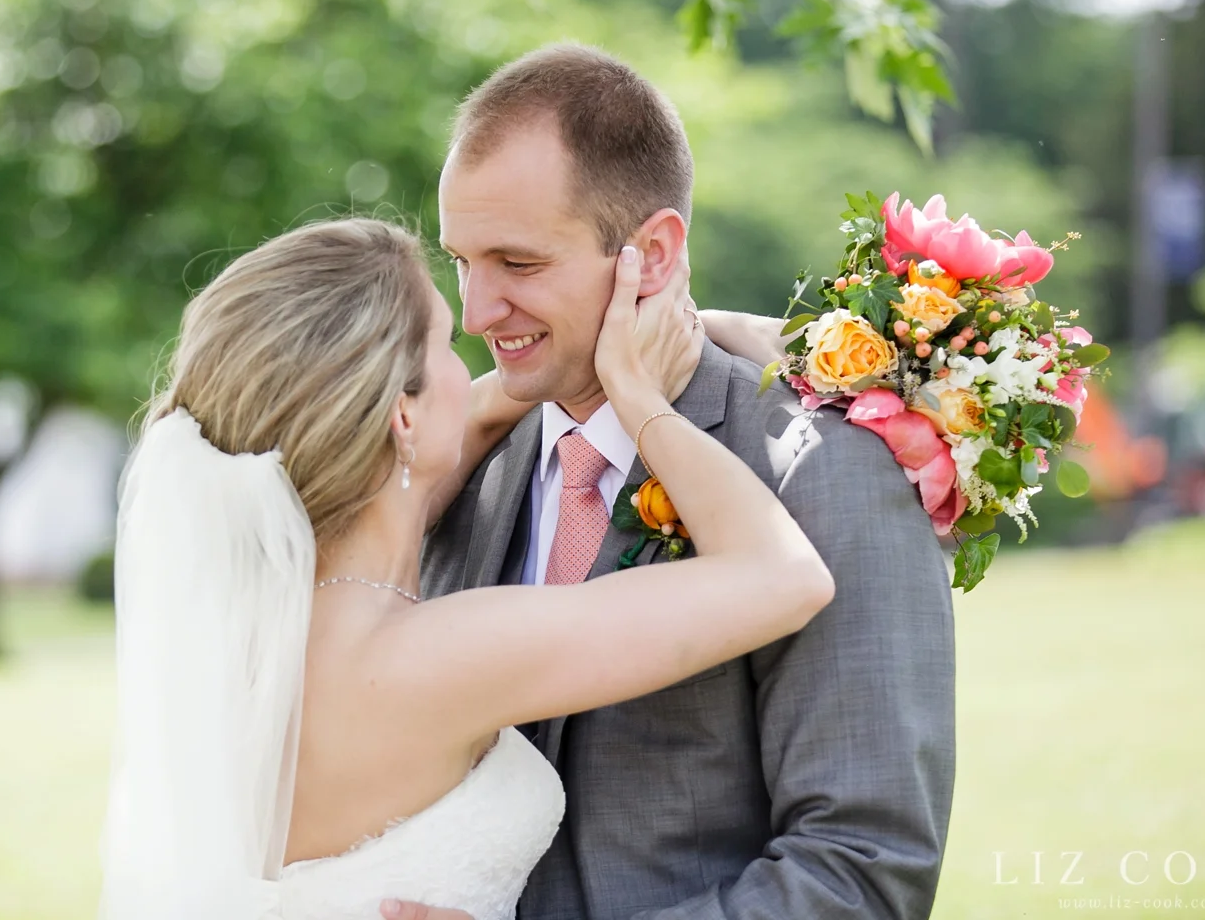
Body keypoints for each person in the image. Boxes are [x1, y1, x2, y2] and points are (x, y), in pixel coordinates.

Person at [97, 216, 835, 920]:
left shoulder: (262, 637)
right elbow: (784, 577)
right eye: (448, 346)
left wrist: (702, 329)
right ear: (403, 418)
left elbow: (465, 418)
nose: (476, 358)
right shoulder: (428, 657)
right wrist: (635, 392)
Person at [406, 44, 956, 920]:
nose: (475, 312)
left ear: (652, 254)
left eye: (518, 263)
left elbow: (861, 872)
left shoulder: (826, 473)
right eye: (461, 261)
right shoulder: (459, 470)